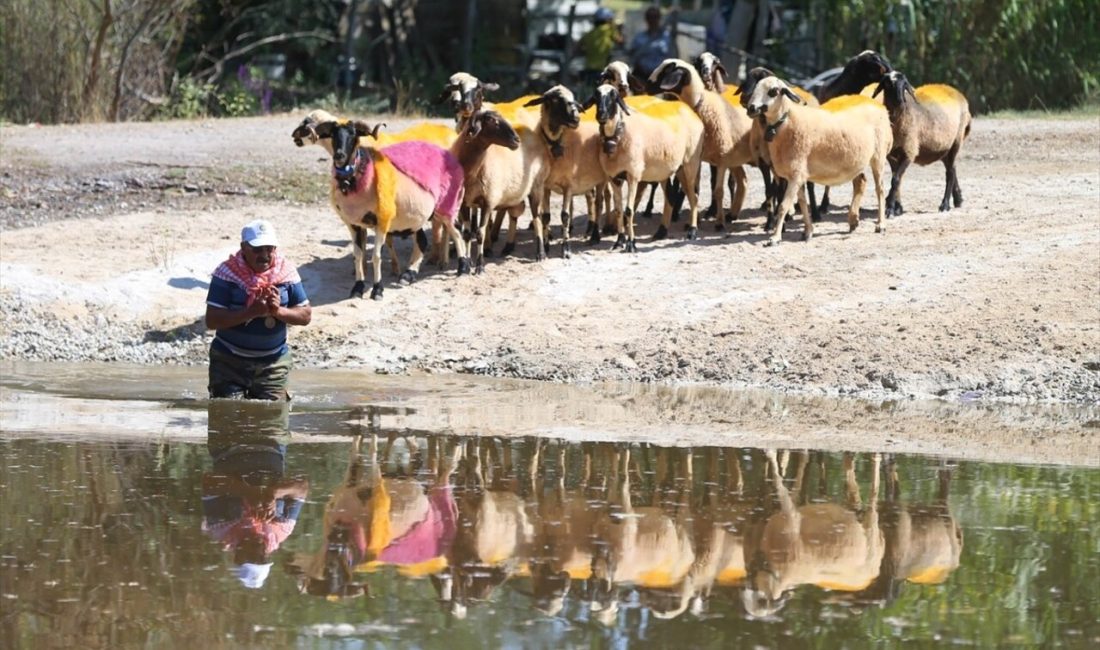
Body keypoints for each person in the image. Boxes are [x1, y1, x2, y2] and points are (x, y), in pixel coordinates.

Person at [201, 399, 310, 589]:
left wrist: (248, 492)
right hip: (272, 439)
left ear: (237, 557)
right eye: (263, 558)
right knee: (272, 384)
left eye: (253, 557)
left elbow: (209, 481)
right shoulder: (281, 530)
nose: (260, 552)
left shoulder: (221, 528)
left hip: (227, 440)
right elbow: (302, 486)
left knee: (225, 392)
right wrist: (273, 494)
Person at [205, 219, 311, 401]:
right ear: (243, 248)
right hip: (228, 362)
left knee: (272, 424)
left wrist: (277, 312)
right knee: (228, 418)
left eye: (269, 248)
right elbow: (212, 320)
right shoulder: (226, 274)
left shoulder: (287, 273)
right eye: (257, 249)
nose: (264, 255)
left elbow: (305, 315)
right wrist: (252, 312)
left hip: (273, 365)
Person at [629, 5, 678, 80]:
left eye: (655, 17)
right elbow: (633, 57)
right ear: (646, 19)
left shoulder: (667, 38)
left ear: (659, 18)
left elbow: (673, 56)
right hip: (642, 77)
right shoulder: (639, 38)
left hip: (662, 78)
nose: (652, 20)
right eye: (650, 17)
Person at [578, 7, 624, 87]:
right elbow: (620, 41)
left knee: (590, 94)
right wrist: (616, 28)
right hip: (602, 70)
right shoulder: (609, 30)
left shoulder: (589, 33)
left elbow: (578, 47)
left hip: (588, 70)